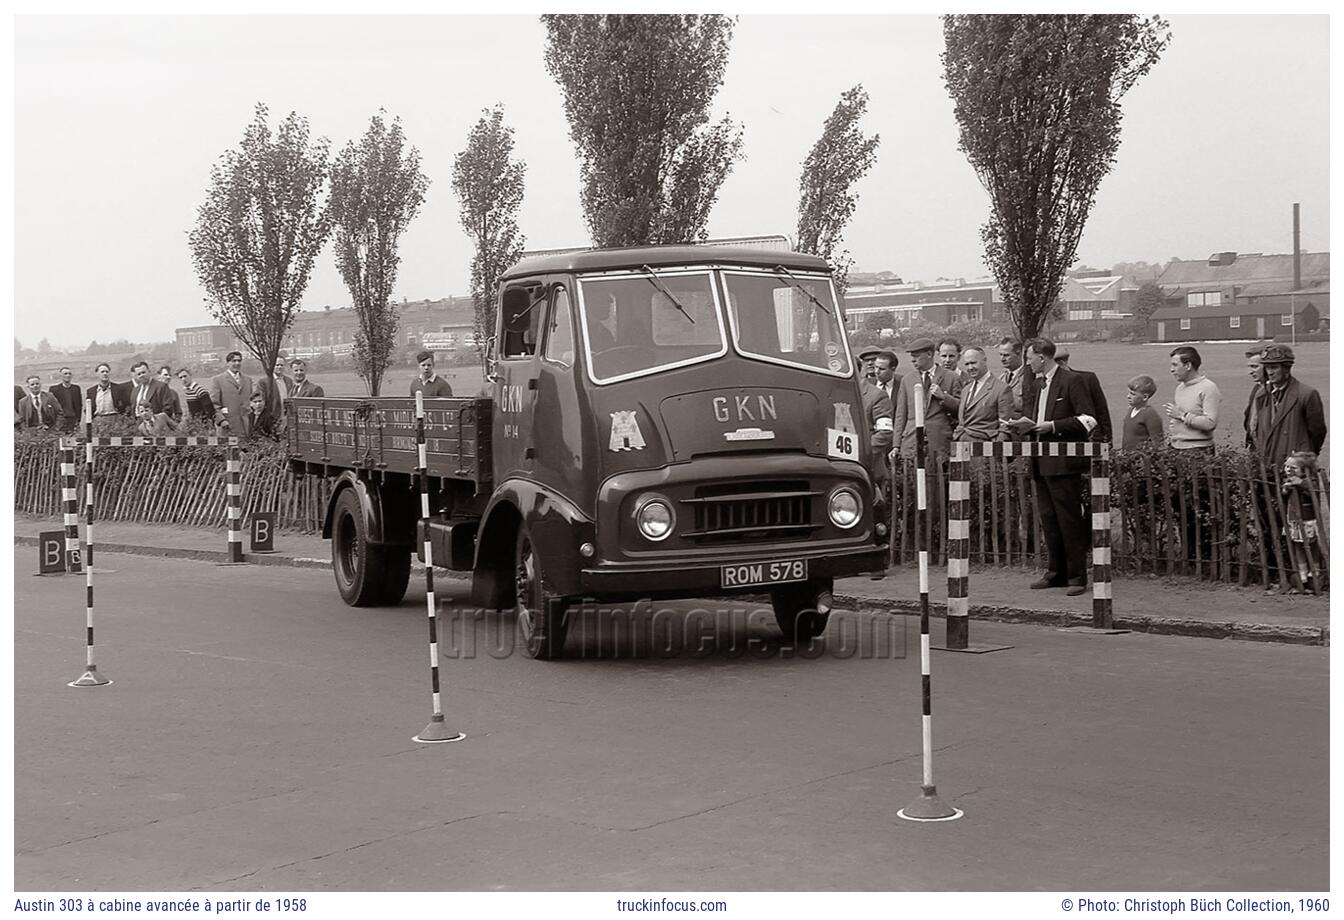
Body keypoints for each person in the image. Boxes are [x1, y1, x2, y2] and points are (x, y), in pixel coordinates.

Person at [1006, 337, 1098, 596]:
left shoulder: (1072, 381)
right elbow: (1037, 418)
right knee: (1049, 519)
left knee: (1069, 519)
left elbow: (1088, 419)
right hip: (1041, 461)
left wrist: (1053, 427)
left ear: (1042, 357)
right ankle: (1055, 571)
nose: (1026, 363)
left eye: (1029, 358)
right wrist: (1023, 425)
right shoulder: (1038, 384)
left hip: (1064, 462)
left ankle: (1077, 575)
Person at [1249, 343, 1327, 470]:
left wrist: (1304, 457)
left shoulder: (1307, 394)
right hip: (1268, 467)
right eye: (1267, 368)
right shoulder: (1261, 394)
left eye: (1274, 367)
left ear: (1286, 368)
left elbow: (1317, 433)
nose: (1270, 372)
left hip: (1295, 468)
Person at [891, 337, 962, 461]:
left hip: (939, 441)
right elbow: (901, 415)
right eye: (912, 356)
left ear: (929, 354)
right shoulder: (907, 380)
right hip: (912, 441)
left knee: (939, 477)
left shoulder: (951, 377)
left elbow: (961, 409)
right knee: (912, 477)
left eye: (917, 356)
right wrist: (896, 445)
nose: (913, 360)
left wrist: (944, 397)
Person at [1163, 346, 1220, 453]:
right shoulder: (1180, 388)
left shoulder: (1209, 388)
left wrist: (1181, 415)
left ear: (1188, 365)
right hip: (1176, 447)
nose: (1171, 370)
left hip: (1198, 450)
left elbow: (1210, 423)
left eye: (1175, 365)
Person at [1280, 451, 1322, 594]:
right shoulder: (1288, 481)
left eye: (1293, 467)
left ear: (1305, 470)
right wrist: (1285, 490)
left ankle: (1315, 570)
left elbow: (1314, 493)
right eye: (1287, 466)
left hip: (1307, 519)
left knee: (1312, 543)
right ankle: (1302, 571)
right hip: (1293, 519)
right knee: (1297, 544)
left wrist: (1302, 484)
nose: (1288, 470)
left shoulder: (1311, 481)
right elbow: (1284, 499)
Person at [952, 346, 1013, 443]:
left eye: (973, 363)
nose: (970, 367)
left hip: (985, 448)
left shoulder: (1001, 389)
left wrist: (996, 450)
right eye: (967, 364)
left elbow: (1005, 427)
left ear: (984, 360)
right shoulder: (965, 390)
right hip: (963, 446)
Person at [1053, 348, 1112, 446]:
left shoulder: (1088, 379)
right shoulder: (1045, 383)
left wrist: (1107, 437)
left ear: (1062, 364)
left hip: (1089, 437)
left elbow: (1101, 409)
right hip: (1060, 439)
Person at [129, 360, 181, 435]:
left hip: (158, 427)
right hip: (141, 428)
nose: (141, 375)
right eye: (139, 374)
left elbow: (168, 408)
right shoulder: (135, 390)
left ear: (149, 371)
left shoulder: (161, 386)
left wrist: (156, 422)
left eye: (143, 372)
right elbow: (133, 409)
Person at [209, 351, 254, 435]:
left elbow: (250, 401)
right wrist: (221, 420)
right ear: (227, 363)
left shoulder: (248, 380)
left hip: (245, 426)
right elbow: (214, 404)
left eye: (239, 361)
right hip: (227, 426)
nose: (237, 363)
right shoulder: (218, 380)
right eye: (234, 361)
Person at [86, 362, 132, 432]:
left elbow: (126, 406)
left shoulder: (119, 389)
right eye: (102, 372)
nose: (105, 373)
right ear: (97, 374)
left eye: (107, 371)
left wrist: (123, 420)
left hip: (115, 420)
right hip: (98, 421)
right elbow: (88, 409)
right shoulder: (91, 391)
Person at [1242, 341, 1271, 450]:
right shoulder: (1257, 389)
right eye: (1249, 367)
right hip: (1255, 449)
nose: (1250, 372)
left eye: (1254, 367)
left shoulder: (1277, 392)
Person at [1121, 375, 1163, 448]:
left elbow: (1157, 442)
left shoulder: (1150, 415)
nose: (1128, 396)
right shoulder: (1130, 410)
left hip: (1142, 457)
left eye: (1133, 394)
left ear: (1145, 397)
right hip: (1128, 456)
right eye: (1129, 393)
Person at [996, 337, 1027, 416]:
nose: (1002, 359)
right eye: (1000, 355)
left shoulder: (1028, 378)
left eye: (1006, 355)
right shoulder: (1000, 379)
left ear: (1018, 354)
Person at [49, 366, 82, 432]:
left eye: (69, 374)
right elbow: (51, 406)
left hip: (73, 420)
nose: (68, 375)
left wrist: (78, 419)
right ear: (61, 376)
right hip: (60, 421)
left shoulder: (76, 389)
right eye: (65, 374)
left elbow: (79, 405)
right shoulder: (54, 389)